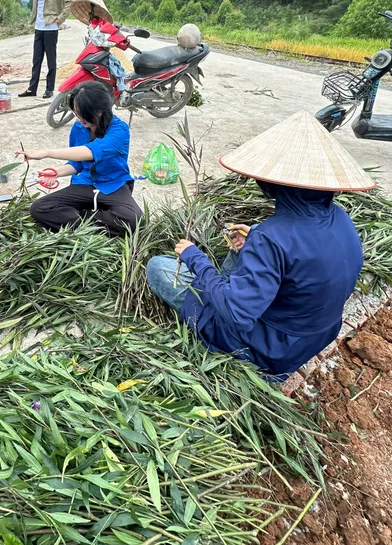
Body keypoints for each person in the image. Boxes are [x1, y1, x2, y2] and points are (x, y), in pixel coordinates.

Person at [146, 111, 371, 378]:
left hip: (267, 348)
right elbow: (306, 258)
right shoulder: (340, 218)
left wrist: (196, 258)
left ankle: (233, 347)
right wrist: (253, 238)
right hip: (312, 337)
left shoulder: (272, 238)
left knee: (158, 267)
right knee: (233, 260)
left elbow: (236, 315)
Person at [18, 81, 142, 237]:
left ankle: (81, 220)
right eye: (76, 112)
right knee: (40, 207)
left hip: (113, 184)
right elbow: (77, 164)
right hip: (84, 184)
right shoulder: (79, 127)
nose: (78, 118)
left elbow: (89, 152)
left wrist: (47, 152)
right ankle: (94, 223)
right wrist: (57, 172)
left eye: (83, 114)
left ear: (99, 111)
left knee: (133, 219)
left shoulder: (119, 130)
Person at [19, 0, 74, 100]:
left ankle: (49, 89)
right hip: (38, 28)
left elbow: (70, 1)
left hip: (51, 29)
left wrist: (60, 19)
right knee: (36, 60)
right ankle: (32, 88)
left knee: (51, 60)